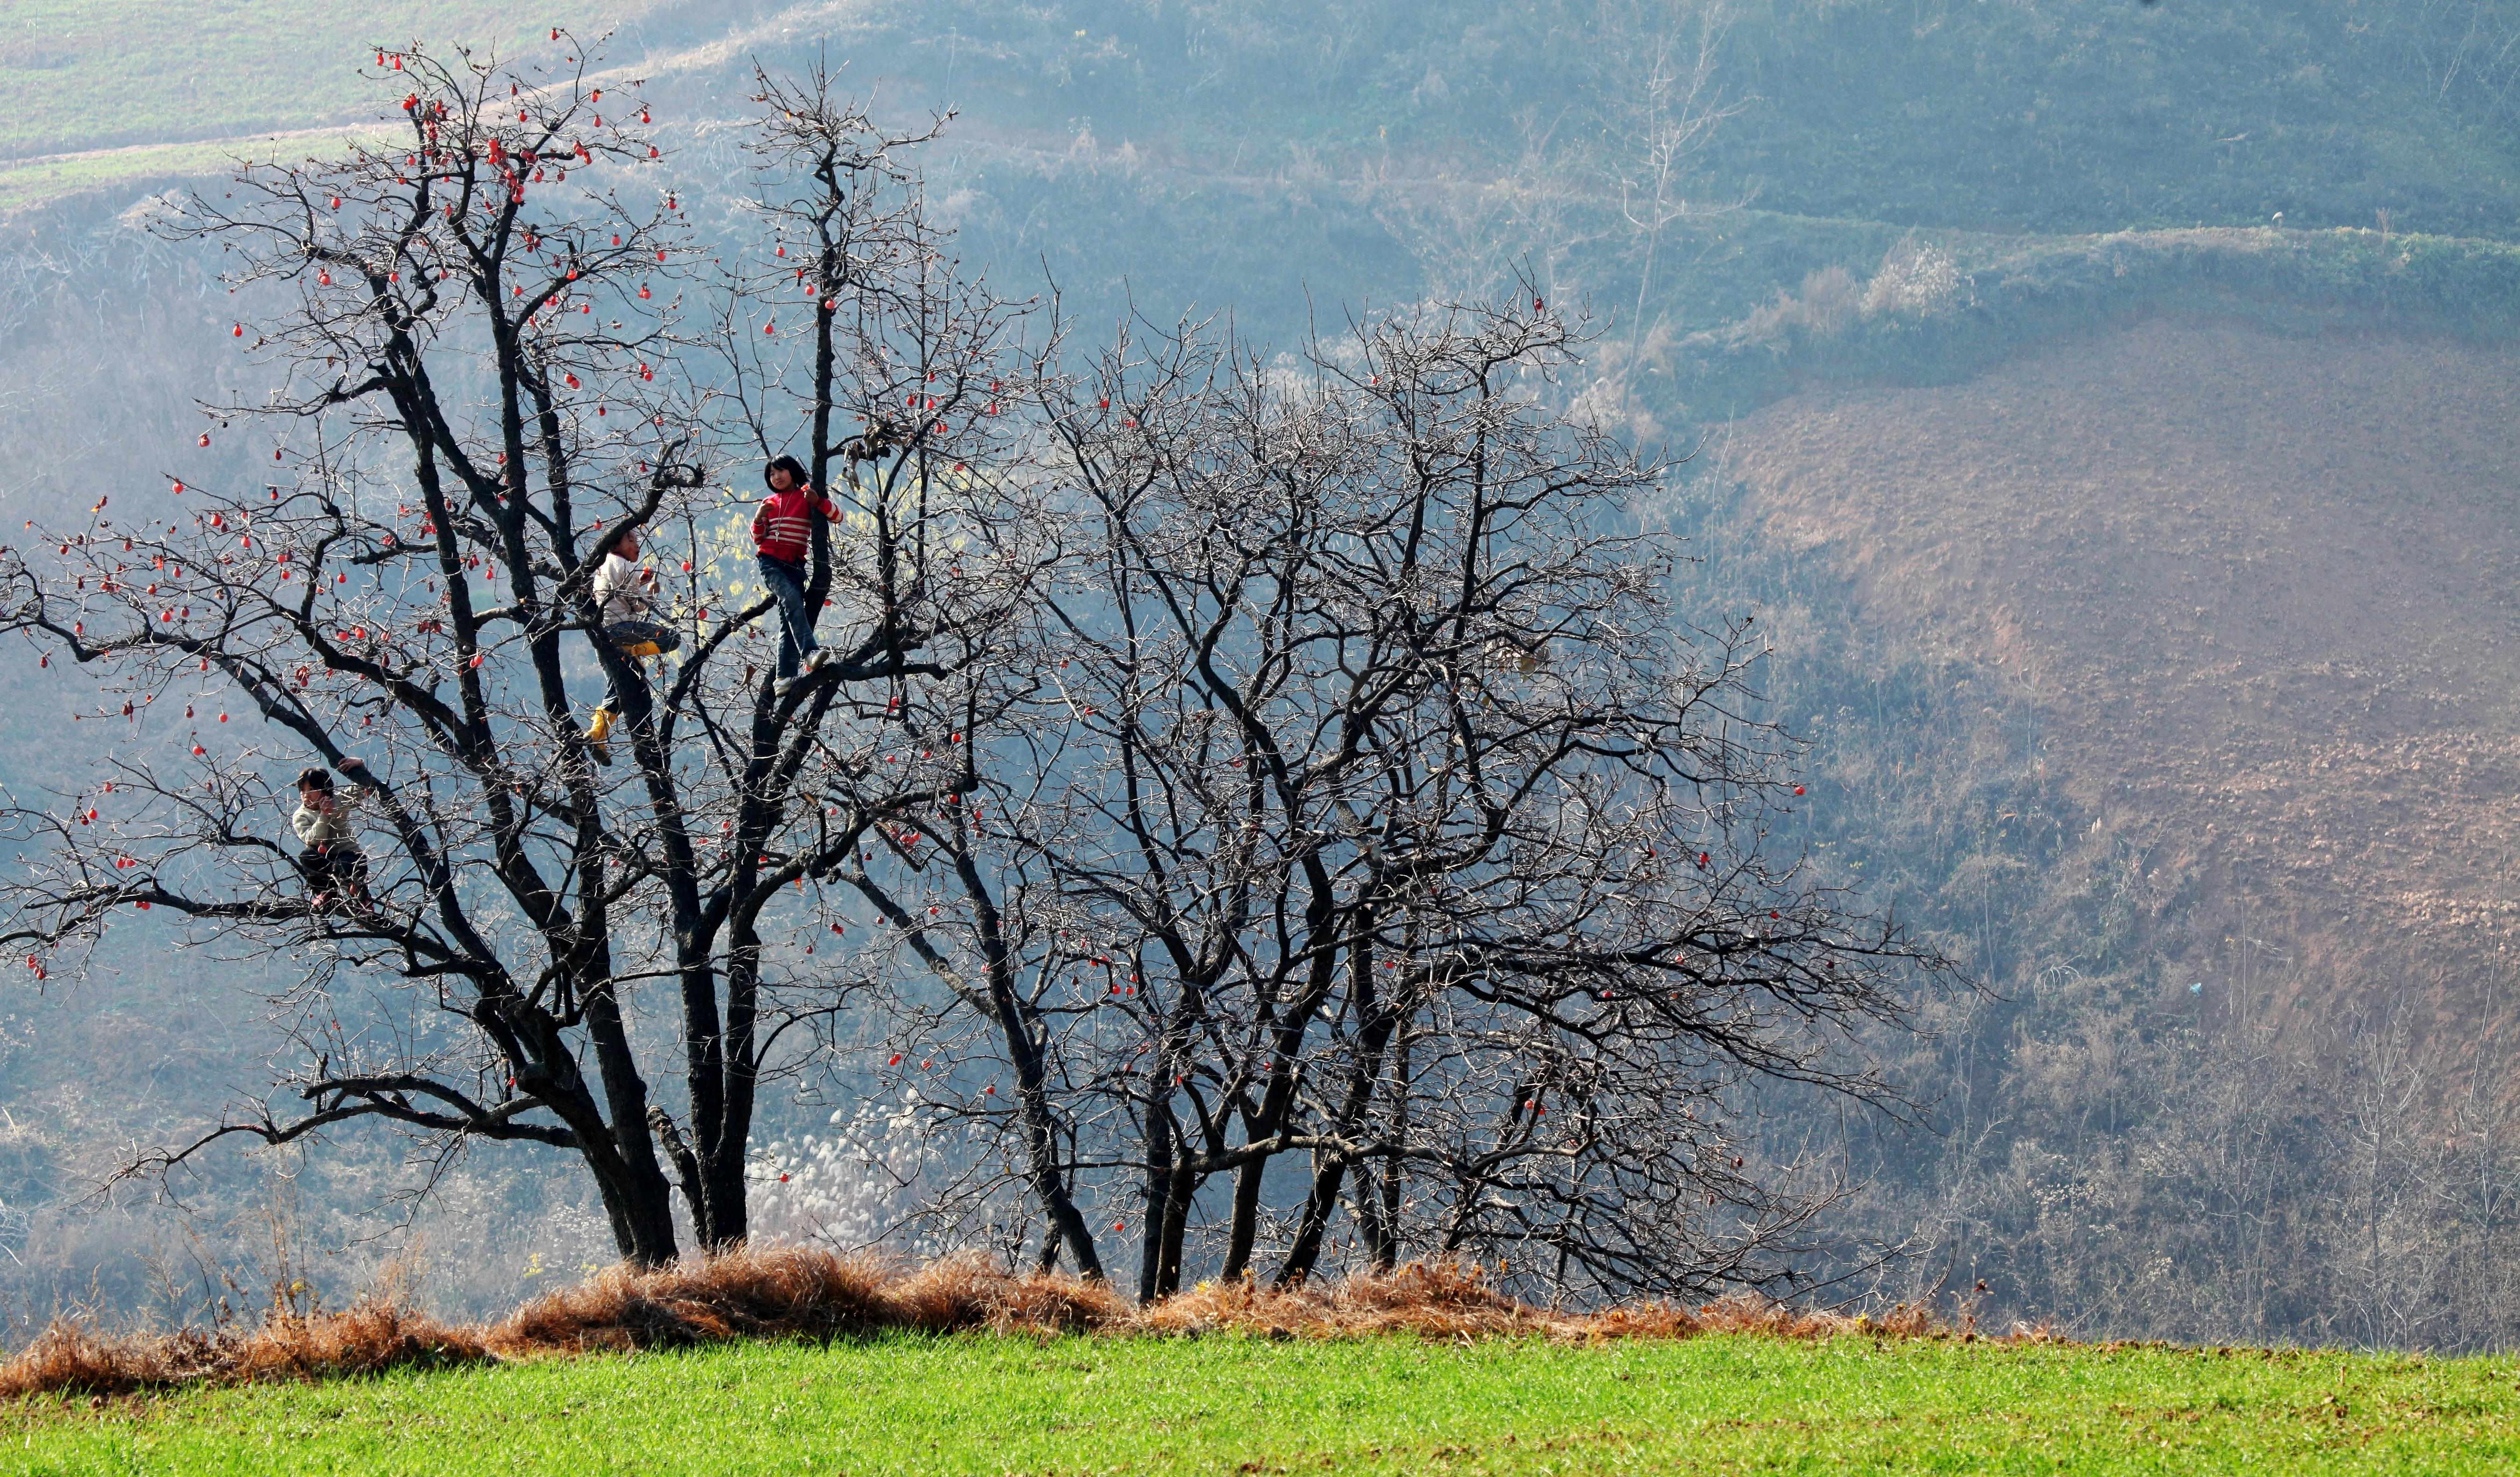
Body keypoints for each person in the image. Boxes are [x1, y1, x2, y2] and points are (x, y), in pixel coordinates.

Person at [583, 526, 682, 766]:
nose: (636, 544)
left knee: (619, 685)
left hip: (605, 636)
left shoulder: (601, 569)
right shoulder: (623, 565)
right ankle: (633, 651)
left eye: (637, 540)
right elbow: (636, 606)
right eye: (630, 540)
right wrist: (650, 591)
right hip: (622, 630)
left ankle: (597, 735)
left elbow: (623, 597)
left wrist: (639, 584)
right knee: (672, 639)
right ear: (615, 545)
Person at [752, 454, 840, 695]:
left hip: (795, 565)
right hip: (770, 562)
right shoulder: (769, 502)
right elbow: (759, 539)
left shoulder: (806, 495)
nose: (776, 477)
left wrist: (818, 501)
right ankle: (810, 652)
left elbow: (837, 517)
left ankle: (783, 678)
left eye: (781, 471)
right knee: (791, 601)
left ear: (793, 471)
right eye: (771, 474)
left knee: (787, 618)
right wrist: (759, 517)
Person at [292, 759, 375, 912]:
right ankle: (327, 893)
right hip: (325, 860)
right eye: (303, 791)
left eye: (311, 790)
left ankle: (361, 896)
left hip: (351, 857)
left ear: (324, 789)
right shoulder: (301, 816)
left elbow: (366, 785)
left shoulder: (339, 800)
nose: (305, 795)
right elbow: (313, 840)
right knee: (307, 856)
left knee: (344, 867)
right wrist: (324, 816)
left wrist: (360, 765)